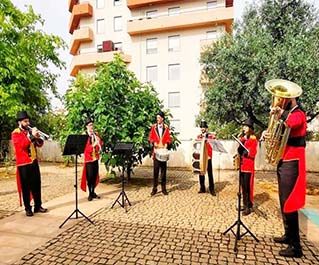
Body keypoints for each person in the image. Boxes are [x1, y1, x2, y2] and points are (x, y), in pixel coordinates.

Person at [264, 80, 306, 258]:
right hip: (284, 159)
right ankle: (288, 235)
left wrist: (280, 113)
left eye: (284, 97)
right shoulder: (287, 113)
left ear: (292, 98)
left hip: (293, 161)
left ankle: (296, 247)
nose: (280, 99)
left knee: (290, 202)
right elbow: (280, 130)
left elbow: (291, 122)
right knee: (283, 200)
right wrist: (267, 133)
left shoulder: (299, 114)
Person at [11, 111, 48, 217]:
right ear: (19, 122)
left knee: (37, 184)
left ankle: (38, 206)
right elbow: (22, 145)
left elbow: (39, 144)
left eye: (28, 121)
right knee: (26, 187)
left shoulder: (29, 131)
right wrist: (31, 136)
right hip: (23, 164)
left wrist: (37, 137)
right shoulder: (15, 133)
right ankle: (28, 208)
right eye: (25, 121)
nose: (28, 123)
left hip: (34, 161)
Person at [237, 118, 258, 216]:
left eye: (245, 126)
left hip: (248, 166)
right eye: (243, 126)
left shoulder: (253, 138)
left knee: (247, 187)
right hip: (242, 165)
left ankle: (248, 207)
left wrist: (247, 152)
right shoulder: (243, 138)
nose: (243, 128)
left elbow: (253, 153)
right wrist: (240, 149)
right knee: (242, 187)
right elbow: (239, 151)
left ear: (250, 128)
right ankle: (245, 204)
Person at [149, 111, 171, 196]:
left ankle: (163, 188)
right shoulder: (153, 127)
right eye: (157, 118)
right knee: (155, 171)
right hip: (156, 151)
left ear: (162, 118)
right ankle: (154, 188)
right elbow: (150, 137)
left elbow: (168, 138)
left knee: (163, 172)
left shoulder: (166, 127)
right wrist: (153, 142)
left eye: (159, 118)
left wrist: (167, 144)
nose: (157, 119)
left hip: (163, 152)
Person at [80, 117, 103, 201]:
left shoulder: (95, 135)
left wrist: (99, 142)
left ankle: (93, 192)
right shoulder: (84, 135)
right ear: (86, 126)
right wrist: (93, 145)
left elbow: (100, 144)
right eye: (90, 125)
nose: (91, 127)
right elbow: (85, 148)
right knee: (89, 177)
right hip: (88, 159)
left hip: (95, 158)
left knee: (94, 176)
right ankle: (90, 193)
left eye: (92, 125)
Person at [196, 120, 216, 196]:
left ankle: (212, 189)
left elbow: (213, 143)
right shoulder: (198, 136)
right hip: (201, 157)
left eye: (204, 127)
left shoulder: (210, 136)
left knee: (210, 173)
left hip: (208, 157)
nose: (202, 128)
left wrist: (212, 137)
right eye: (201, 127)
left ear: (206, 128)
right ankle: (202, 188)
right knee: (201, 173)